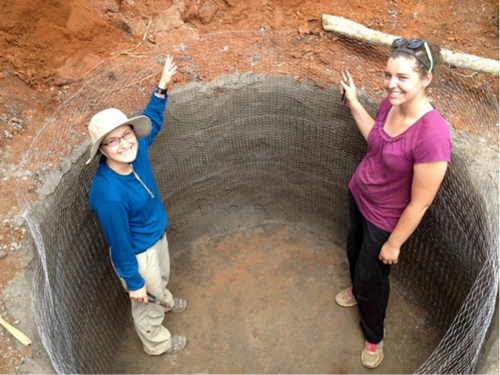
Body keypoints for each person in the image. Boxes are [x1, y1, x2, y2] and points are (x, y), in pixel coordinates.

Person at [336, 39, 451, 369]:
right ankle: (356, 287)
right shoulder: (391, 103)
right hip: (360, 194)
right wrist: (355, 102)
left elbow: (420, 203)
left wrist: (394, 244)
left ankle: (373, 335)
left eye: (402, 77)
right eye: (388, 75)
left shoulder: (432, 135)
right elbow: (376, 139)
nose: (391, 84)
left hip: (384, 220)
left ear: (425, 79)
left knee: (373, 281)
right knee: (354, 254)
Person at [87, 56, 188, 355]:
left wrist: (161, 88)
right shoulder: (108, 195)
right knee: (146, 302)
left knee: (161, 283)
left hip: (157, 237)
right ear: (102, 150)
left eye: (126, 134)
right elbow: (120, 244)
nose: (124, 144)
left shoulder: (136, 151)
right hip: (138, 254)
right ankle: (157, 343)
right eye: (112, 141)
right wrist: (134, 282)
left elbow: (152, 121)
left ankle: (165, 301)